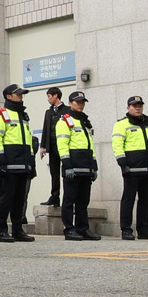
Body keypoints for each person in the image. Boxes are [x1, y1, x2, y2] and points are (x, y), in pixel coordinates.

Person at [0, 84, 37, 242]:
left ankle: (17, 230)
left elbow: (28, 140)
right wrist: (0, 160)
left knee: (19, 198)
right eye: (18, 94)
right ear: (8, 96)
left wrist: (31, 162)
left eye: (22, 94)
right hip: (8, 163)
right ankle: (1, 231)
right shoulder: (0, 114)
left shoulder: (23, 115)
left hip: (23, 163)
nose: (21, 96)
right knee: (6, 197)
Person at [112, 97, 148, 241]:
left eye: (139, 106)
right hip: (131, 169)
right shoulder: (121, 124)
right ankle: (126, 229)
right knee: (129, 199)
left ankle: (143, 229)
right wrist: (123, 164)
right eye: (134, 106)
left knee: (145, 200)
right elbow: (117, 144)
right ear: (128, 108)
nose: (138, 108)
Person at [54, 91, 100, 240]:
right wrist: (67, 165)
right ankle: (69, 229)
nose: (80, 104)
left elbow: (90, 145)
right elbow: (62, 144)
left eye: (82, 102)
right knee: (69, 199)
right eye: (77, 101)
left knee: (83, 201)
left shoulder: (85, 121)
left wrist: (94, 165)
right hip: (72, 167)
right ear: (70, 103)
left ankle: (82, 228)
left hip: (85, 166)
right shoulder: (64, 121)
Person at [37, 87, 68, 206]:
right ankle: (55, 197)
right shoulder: (48, 112)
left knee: (65, 172)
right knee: (54, 172)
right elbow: (45, 129)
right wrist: (43, 146)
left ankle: (67, 197)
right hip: (53, 147)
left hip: (64, 146)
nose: (48, 99)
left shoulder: (67, 110)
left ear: (56, 96)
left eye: (49, 96)